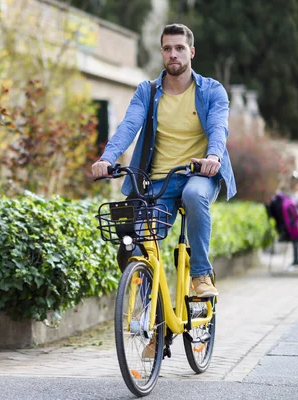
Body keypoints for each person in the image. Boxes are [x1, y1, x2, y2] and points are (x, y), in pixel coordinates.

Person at [91, 23, 236, 298]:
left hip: (199, 175)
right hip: (156, 182)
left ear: (191, 52)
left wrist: (213, 156)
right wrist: (107, 158)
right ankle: (152, 324)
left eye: (180, 48)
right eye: (168, 49)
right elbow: (128, 125)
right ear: (162, 53)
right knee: (137, 244)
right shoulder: (147, 91)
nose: (174, 54)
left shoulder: (211, 91)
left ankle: (200, 275)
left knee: (194, 194)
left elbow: (219, 127)